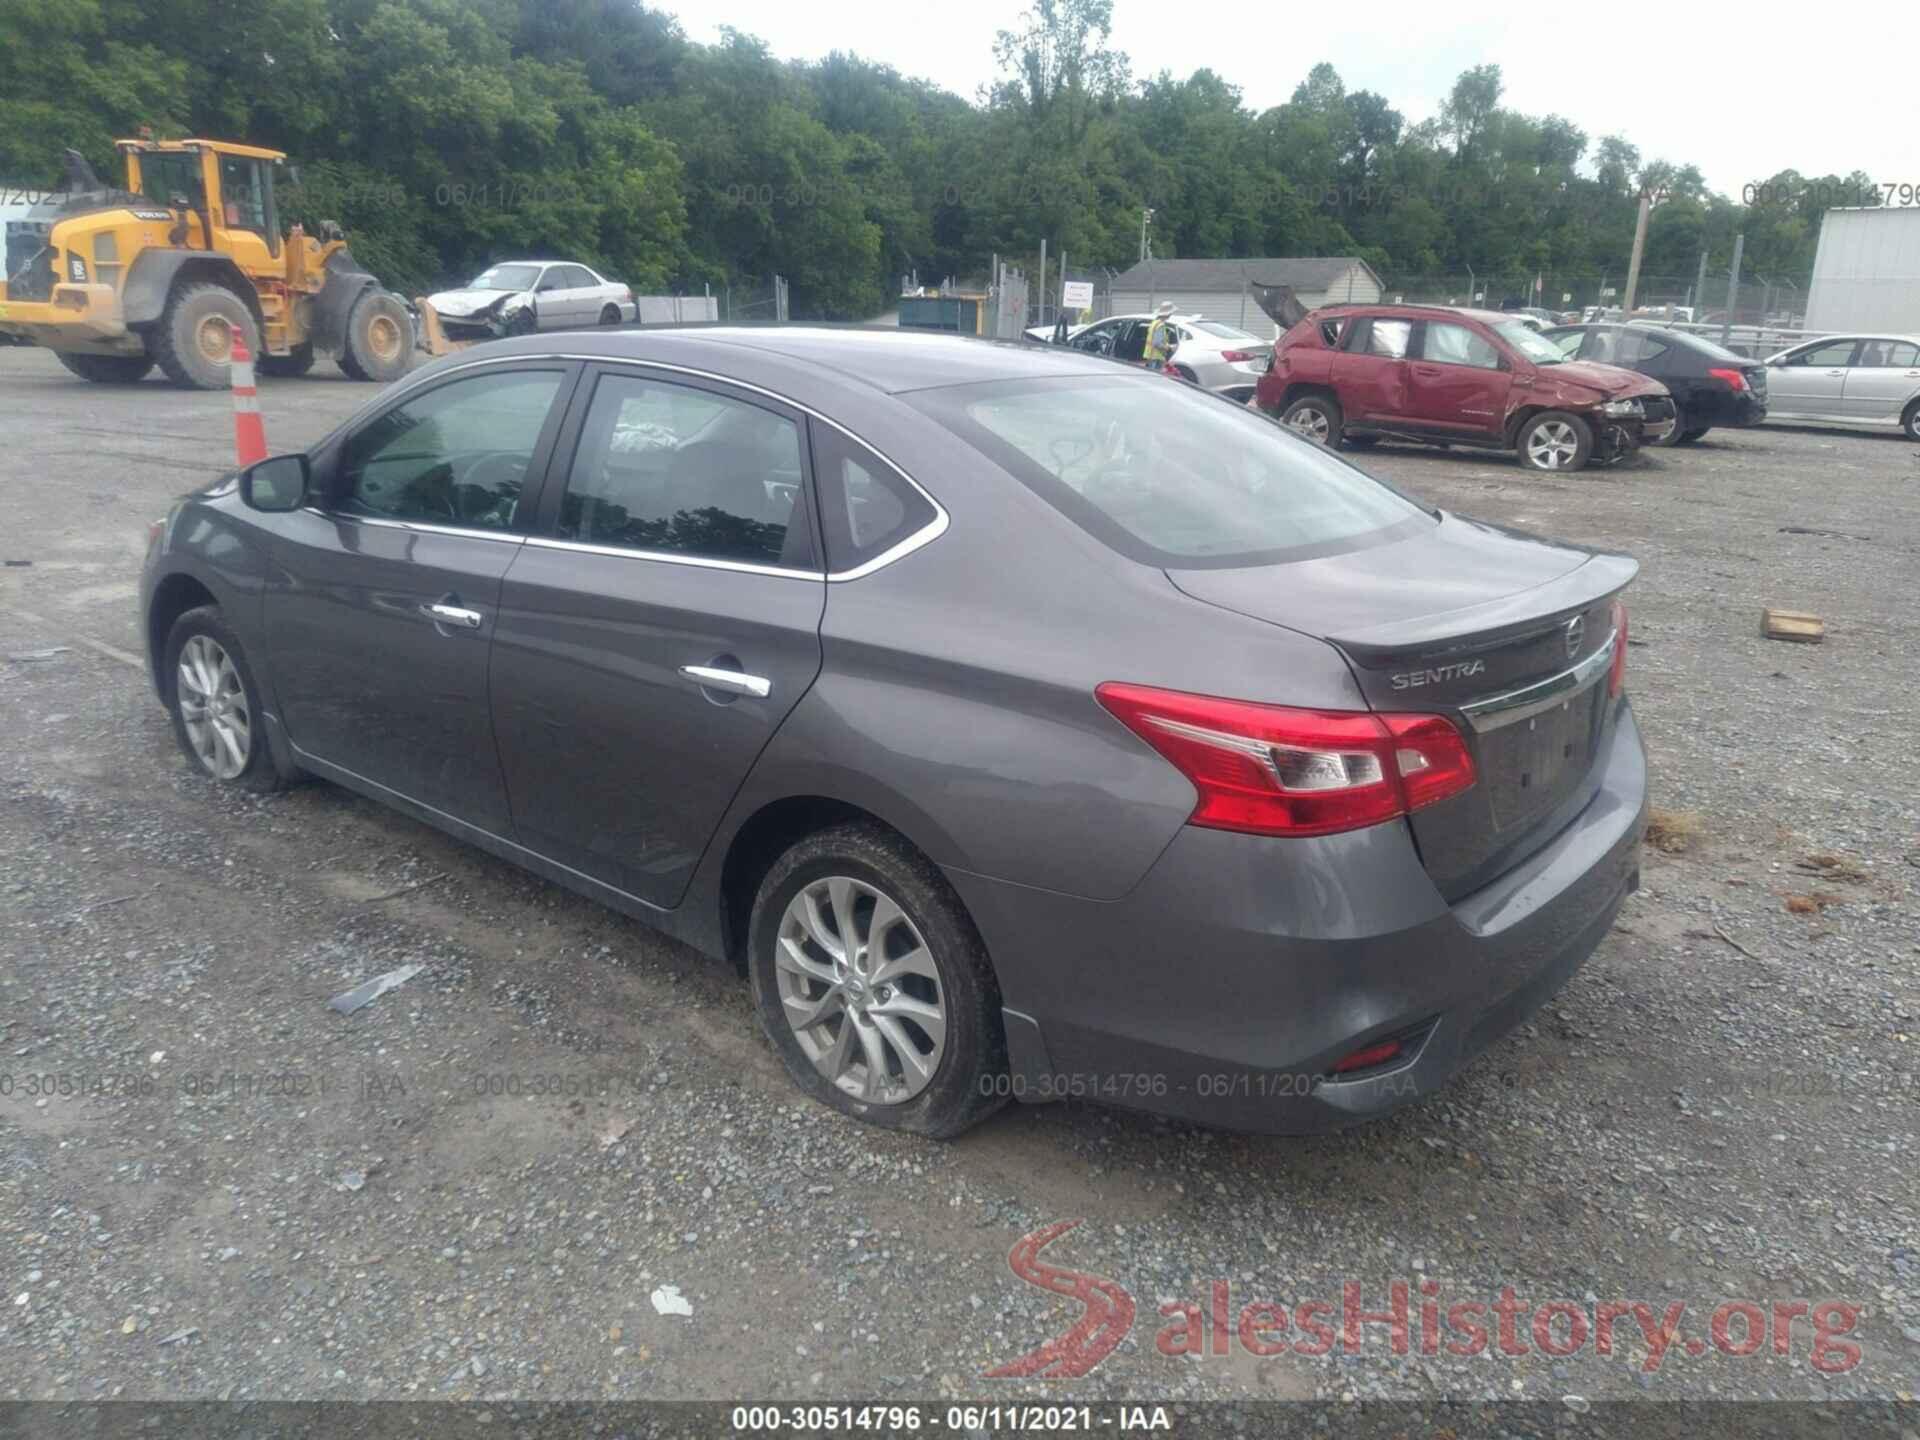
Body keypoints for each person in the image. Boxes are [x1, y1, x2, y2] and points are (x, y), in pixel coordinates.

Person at [1143, 300, 1176, 371]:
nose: (1171, 315)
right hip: (1156, 358)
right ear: (1168, 314)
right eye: (1171, 313)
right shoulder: (1160, 325)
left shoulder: (1154, 323)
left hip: (1151, 356)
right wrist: (1169, 347)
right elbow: (1157, 343)